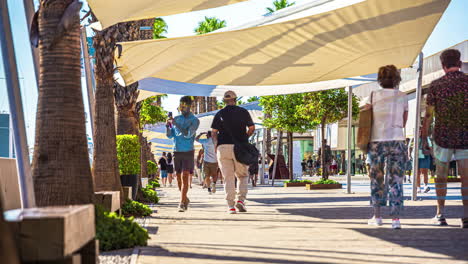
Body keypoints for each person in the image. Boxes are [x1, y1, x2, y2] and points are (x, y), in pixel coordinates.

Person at [421, 49, 467, 228]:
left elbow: (429, 115)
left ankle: (440, 214)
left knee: (441, 177)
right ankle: (466, 216)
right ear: (460, 62)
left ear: (442, 65)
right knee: (466, 178)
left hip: (442, 137)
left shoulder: (436, 85)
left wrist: (424, 138)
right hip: (465, 136)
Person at [365, 65, 408, 229]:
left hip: (377, 142)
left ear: (380, 79)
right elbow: (404, 122)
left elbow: (366, 119)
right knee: (396, 180)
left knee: (376, 179)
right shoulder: (402, 96)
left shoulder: (373, 96)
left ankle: (377, 217)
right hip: (397, 141)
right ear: (397, 79)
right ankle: (395, 220)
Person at [211, 91, 255, 214]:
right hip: (240, 147)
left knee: (228, 178)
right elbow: (251, 128)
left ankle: (230, 206)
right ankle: (240, 200)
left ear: (224, 101)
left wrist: (216, 145)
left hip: (223, 148)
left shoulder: (219, 114)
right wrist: (245, 138)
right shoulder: (243, 112)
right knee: (242, 175)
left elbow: (214, 132)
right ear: (235, 100)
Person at [166, 96, 200, 212]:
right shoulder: (176, 118)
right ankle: (184, 198)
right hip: (176, 151)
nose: (181, 109)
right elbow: (170, 135)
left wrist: (176, 124)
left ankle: (181, 203)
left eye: (184, 106)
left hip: (188, 151)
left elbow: (187, 134)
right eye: (180, 106)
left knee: (185, 176)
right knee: (179, 178)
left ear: (190, 106)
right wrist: (168, 126)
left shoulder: (195, 120)